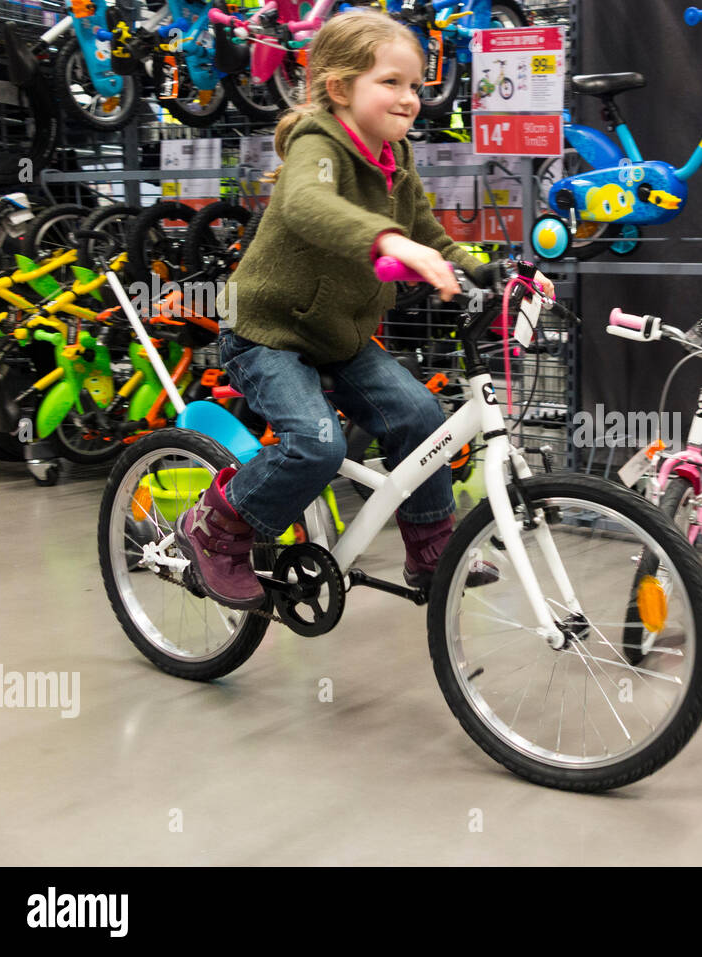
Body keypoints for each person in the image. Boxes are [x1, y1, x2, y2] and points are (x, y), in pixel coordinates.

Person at [177, 7, 550, 609]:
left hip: (339, 337)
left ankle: (431, 551)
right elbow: (305, 204)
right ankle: (217, 527)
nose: (409, 98)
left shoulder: (395, 160)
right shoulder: (317, 144)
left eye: (416, 85)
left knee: (421, 414)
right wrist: (385, 239)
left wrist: (482, 265)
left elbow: (426, 228)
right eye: (391, 82)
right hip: (268, 332)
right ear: (340, 89)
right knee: (318, 445)